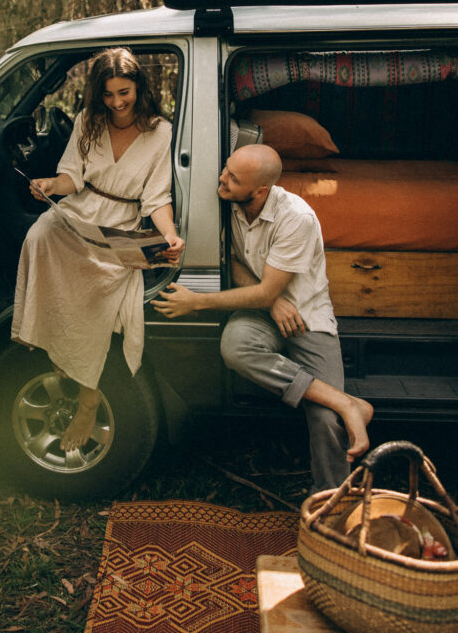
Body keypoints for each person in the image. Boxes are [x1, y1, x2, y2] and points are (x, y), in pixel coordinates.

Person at [152, 143, 373, 492]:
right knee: (237, 346)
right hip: (264, 311)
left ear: (260, 191)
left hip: (306, 316)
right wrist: (270, 301)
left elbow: (268, 290)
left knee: (326, 419)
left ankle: (331, 503)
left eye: (232, 178)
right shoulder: (227, 203)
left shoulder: (295, 217)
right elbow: (236, 263)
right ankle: (345, 402)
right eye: (225, 168)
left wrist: (197, 302)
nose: (221, 179)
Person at [12, 47, 185, 453]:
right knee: (39, 236)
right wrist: (52, 186)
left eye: (124, 92)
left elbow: (156, 198)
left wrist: (170, 236)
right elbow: (72, 175)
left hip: (120, 224)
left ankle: (88, 396)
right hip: (79, 213)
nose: (117, 103)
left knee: (99, 291)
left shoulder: (161, 132)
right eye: (107, 94)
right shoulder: (88, 121)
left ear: (139, 87)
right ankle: (55, 346)